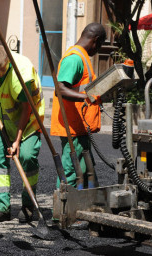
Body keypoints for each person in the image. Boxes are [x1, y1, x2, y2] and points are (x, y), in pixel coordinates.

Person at [0, 45, 45, 224]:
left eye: (1, 71)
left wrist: (17, 141)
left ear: (9, 63)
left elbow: (26, 108)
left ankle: (28, 205)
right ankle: (1, 207)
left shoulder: (23, 75)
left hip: (29, 121)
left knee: (27, 157)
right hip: (5, 118)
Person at [50, 23, 106, 189]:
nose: (98, 50)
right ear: (95, 41)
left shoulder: (81, 57)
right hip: (72, 128)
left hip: (79, 126)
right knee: (72, 172)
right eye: (100, 45)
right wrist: (87, 98)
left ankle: (85, 206)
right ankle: (62, 213)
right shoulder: (74, 58)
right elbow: (60, 89)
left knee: (84, 169)